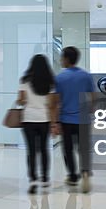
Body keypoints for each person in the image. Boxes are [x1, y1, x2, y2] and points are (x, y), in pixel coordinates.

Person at [54, 46, 95, 193]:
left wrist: (56, 122)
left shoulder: (60, 78)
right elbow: (92, 98)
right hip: (83, 119)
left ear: (66, 59)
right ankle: (85, 173)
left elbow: (57, 102)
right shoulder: (86, 76)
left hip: (66, 120)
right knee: (84, 149)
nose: (60, 60)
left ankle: (72, 176)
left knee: (68, 149)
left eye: (61, 57)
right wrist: (90, 112)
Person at [17, 54, 57, 194]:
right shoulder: (50, 82)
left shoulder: (25, 80)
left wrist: (24, 100)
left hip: (28, 119)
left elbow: (21, 101)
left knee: (31, 151)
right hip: (44, 119)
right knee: (44, 150)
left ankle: (33, 179)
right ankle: (45, 179)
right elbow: (51, 105)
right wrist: (53, 124)